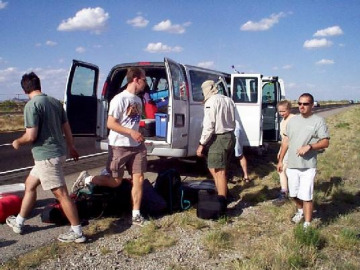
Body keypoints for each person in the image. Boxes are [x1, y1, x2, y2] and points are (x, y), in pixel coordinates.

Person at [6, 72, 85, 243]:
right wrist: (71, 147)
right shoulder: (55, 102)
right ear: (39, 85)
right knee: (30, 185)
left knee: (61, 194)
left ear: (24, 88)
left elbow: (31, 135)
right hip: (56, 154)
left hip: (46, 157)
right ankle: (19, 222)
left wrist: (18, 141)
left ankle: (77, 232)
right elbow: (67, 128)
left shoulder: (31, 105)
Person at [72, 67, 148, 227]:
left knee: (139, 178)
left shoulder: (138, 100)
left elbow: (132, 122)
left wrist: (139, 134)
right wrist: (131, 133)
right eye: (144, 79)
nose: (145, 83)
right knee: (115, 182)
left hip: (137, 146)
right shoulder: (119, 99)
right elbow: (110, 123)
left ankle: (136, 214)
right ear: (136, 79)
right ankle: (87, 179)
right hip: (119, 146)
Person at [277, 93, 330, 229]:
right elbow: (286, 141)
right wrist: (280, 160)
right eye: (299, 103)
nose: (301, 106)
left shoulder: (318, 121)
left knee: (306, 195)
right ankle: (300, 211)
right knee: (293, 194)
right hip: (293, 165)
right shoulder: (292, 121)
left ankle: (307, 224)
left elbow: (325, 142)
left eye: (305, 104)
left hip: (308, 166)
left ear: (312, 105)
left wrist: (310, 146)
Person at [196, 80, 236, 212]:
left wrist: (201, 144)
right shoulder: (228, 100)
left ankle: (222, 203)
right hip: (230, 136)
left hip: (219, 138)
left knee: (219, 171)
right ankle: (224, 193)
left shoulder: (211, 102)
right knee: (218, 168)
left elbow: (209, 125)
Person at [273, 100, 295, 206]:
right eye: (280, 111)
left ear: (289, 109)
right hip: (285, 149)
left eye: (284, 111)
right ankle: (288, 192)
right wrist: (279, 151)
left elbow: (288, 139)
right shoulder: (283, 121)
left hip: (291, 149)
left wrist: (282, 154)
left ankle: (285, 192)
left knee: (283, 170)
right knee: (283, 171)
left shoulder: (293, 120)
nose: (281, 113)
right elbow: (283, 139)